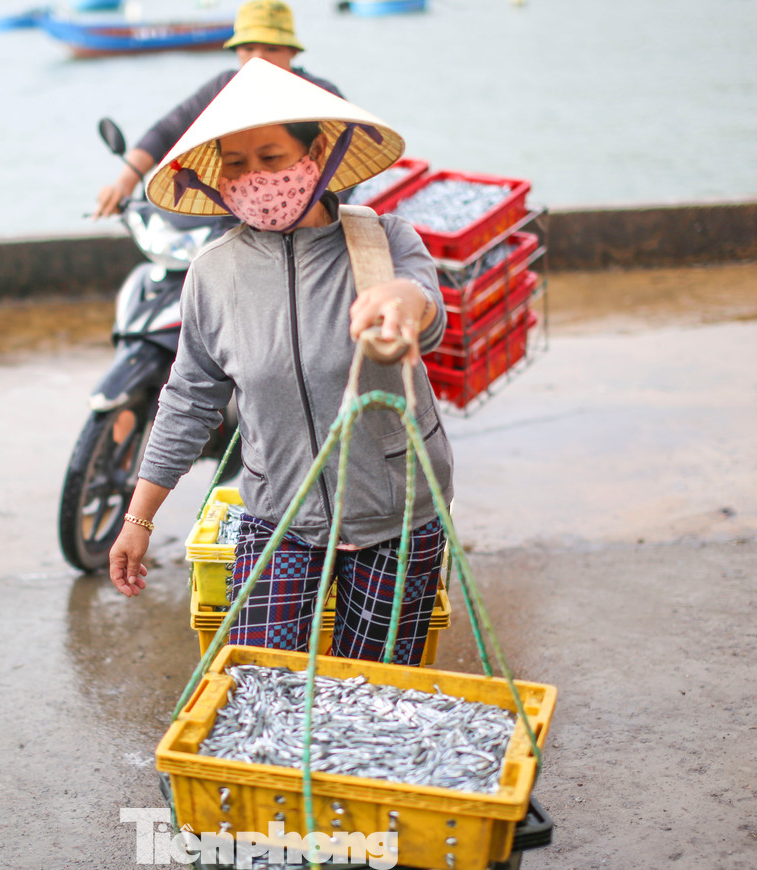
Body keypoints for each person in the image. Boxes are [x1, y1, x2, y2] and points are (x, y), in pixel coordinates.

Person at [106, 60, 454, 666]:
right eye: (236, 166)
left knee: (371, 694)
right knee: (262, 677)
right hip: (279, 513)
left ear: (315, 152)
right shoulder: (213, 273)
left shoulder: (386, 239)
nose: (255, 179)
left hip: (396, 514)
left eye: (271, 158)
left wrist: (401, 301)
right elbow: (188, 398)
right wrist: (140, 517)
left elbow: (427, 308)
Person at [91, 0, 342, 220]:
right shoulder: (223, 88)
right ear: (236, 51)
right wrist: (124, 183)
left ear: (293, 51)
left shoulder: (318, 94)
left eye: (272, 48)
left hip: (308, 211)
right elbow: (165, 132)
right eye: (248, 48)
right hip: (236, 212)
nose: (258, 58)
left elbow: (345, 156)